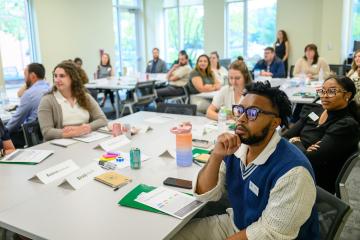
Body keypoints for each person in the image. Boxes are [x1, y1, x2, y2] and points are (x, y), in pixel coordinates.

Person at [174, 81, 319, 240]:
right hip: (236, 225)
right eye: (240, 110)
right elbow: (205, 195)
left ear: (274, 123)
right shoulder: (237, 148)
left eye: (252, 113)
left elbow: (268, 233)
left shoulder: (293, 171)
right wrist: (216, 156)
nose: (241, 118)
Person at [283, 76, 359, 193]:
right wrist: (303, 148)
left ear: (347, 95)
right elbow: (285, 137)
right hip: (294, 169)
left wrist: (296, 141)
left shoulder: (346, 125)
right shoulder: (315, 111)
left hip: (315, 181)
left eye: (332, 91)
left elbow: (309, 159)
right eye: (322, 91)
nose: (324, 95)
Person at [38, 61, 107, 141]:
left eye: (62, 76)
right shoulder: (47, 100)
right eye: (55, 76)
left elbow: (102, 120)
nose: (57, 80)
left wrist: (86, 128)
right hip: (61, 145)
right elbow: (47, 132)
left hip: (85, 140)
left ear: (72, 78)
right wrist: (75, 132)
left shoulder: (85, 97)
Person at [6, 63, 50, 148]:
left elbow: (16, 122)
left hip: (32, 135)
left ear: (33, 76)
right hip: (44, 133)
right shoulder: (50, 88)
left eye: (25, 75)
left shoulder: (29, 94)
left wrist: (3, 132)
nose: (24, 79)